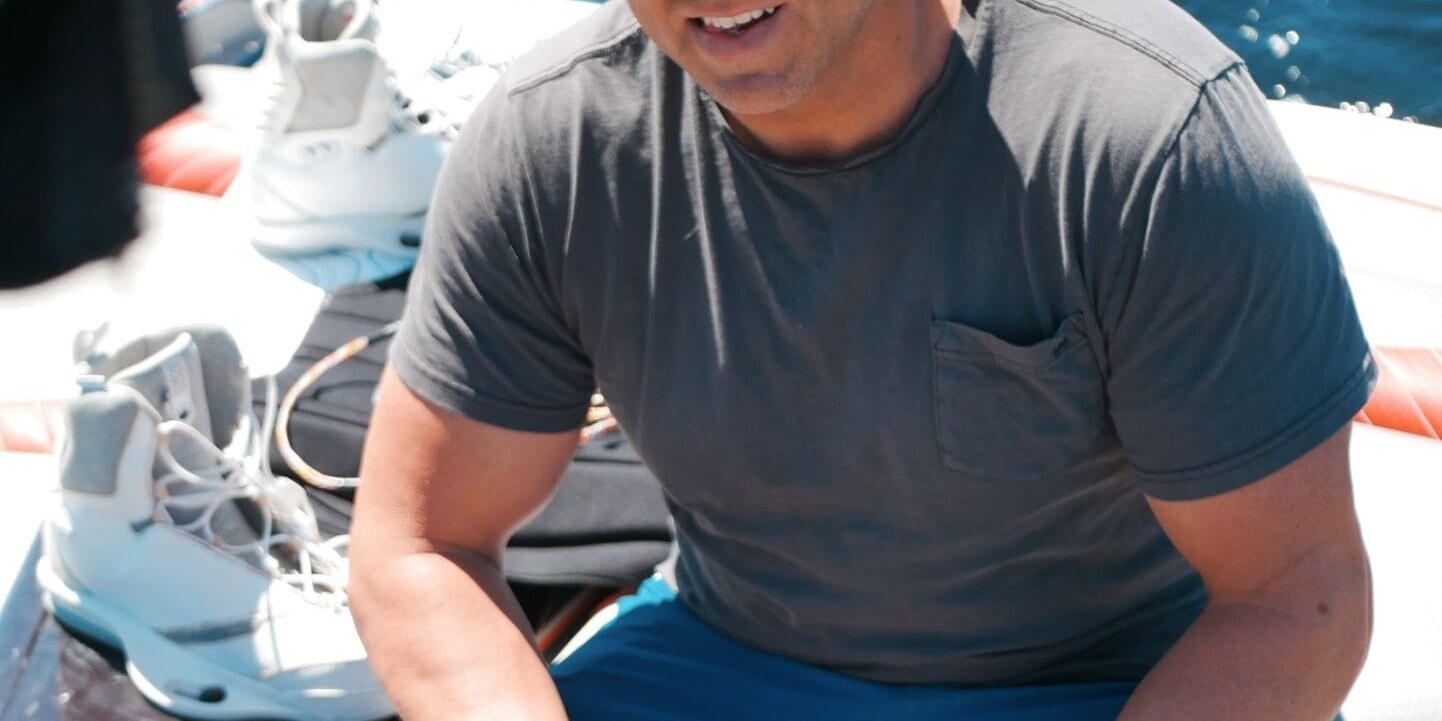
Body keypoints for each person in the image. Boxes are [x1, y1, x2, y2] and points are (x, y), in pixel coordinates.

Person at [347, 0, 1377, 717]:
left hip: (1100, 684)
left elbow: (1295, 597)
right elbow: (421, 545)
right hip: (719, 650)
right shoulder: (551, 140)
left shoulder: (1149, 134)